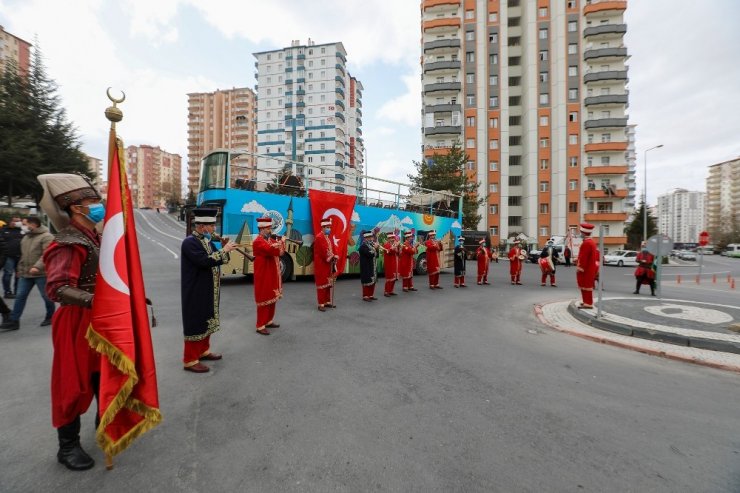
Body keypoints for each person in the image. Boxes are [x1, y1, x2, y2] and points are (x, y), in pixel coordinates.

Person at [38, 173, 105, 471]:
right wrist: (97, 300)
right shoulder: (67, 242)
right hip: (76, 321)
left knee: (103, 374)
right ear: (77, 207)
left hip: (101, 318)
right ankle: (67, 447)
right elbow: (58, 288)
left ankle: (105, 423)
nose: (99, 206)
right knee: (72, 383)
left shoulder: (96, 236)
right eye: (94, 202)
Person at [180, 208, 237, 373]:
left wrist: (226, 249)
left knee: (207, 319)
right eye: (212, 226)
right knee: (196, 321)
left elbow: (219, 260)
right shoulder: (189, 242)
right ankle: (190, 360)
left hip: (208, 288)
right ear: (202, 226)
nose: (214, 229)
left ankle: (203, 351)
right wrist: (223, 251)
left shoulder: (207, 241)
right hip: (196, 289)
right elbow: (204, 261)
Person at [0, 216, 55, 330]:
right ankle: (14, 321)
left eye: (25, 224)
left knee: (46, 297)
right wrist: (19, 270)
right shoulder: (26, 237)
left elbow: (47, 255)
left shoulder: (47, 237)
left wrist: (37, 266)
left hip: (41, 273)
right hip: (26, 274)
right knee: (20, 296)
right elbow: (23, 256)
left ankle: (50, 316)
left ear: (33, 224)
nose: (22, 226)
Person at [252, 216, 285, 334]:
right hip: (264, 274)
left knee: (272, 297)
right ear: (261, 230)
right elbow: (270, 250)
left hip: (272, 273)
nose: (270, 231)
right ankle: (260, 325)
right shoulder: (258, 241)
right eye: (267, 229)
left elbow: (280, 252)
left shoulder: (269, 240)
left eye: (270, 228)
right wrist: (281, 242)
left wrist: (281, 243)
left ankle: (269, 320)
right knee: (264, 298)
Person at [314, 218, 338, 311]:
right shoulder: (319, 237)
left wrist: (335, 256)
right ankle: (321, 304)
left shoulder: (328, 237)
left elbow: (332, 249)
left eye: (330, 227)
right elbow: (324, 251)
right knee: (322, 284)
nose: (329, 229)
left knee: (328, 284)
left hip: (328, 264)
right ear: (323, 227)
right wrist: (332, 257)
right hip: (321, 264)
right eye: (327, 227)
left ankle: (327, 302)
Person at [576, 223, 599, 309]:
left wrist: (580, 267)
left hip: (586, 269)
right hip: (589, 268)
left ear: (584, 233)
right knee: (585, 285)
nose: (580, 233)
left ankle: (588, 303)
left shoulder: (586, 243)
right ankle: (586, 301)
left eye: (581, 232)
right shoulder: (590, 242)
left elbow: (584, 257)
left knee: (586, 285)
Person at [0, 215, 23, 298]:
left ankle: (17, 292)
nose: (18, 223)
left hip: (20, 256)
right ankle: (7, 291)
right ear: (10, 222)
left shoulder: (22, 230)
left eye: (19, 221)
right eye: (16, 221)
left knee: (19, 275)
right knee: (8, 274)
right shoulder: (3, 230)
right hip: (8, 256)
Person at [359, 231, 379, 301]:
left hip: (373, 265)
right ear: (365, 238)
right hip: (366, 266)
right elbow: (369, 254)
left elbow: (377, 255)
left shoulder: (372, 245)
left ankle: (371, 295)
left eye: (371, 237)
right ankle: (365, 296)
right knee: (367, 281)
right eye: (369, 237)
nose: (371, 239)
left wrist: (376, 248)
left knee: (373, 281)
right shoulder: (363, 246)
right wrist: (375, 248)